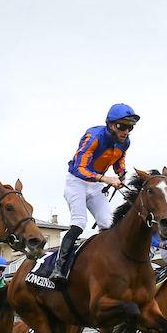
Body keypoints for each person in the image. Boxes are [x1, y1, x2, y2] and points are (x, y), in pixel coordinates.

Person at [49, 103, 139, 284]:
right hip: (77, 182)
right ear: (111, 125)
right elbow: (79, 168)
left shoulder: (125, 142)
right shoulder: (93, 137)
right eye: (122, 126)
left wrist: (121, 174)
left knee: (108, 223)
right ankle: (59, 267)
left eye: (130, 127)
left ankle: (106, 263)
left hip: (96, 184)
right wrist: (106, 179)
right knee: (79, 222)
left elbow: (119, 160)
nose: (126, 131)